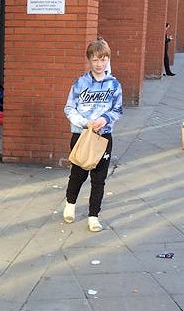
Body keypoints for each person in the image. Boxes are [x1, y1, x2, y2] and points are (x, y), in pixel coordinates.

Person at [63, 38, 123, 232]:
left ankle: (93, 215)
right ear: (89, 60)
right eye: (95, 60)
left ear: (108, 60)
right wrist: (84, 122)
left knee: (99, 178)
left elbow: (118, 109)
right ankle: (70, 204)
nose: (99, 64)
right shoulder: (80, 83)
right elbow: (69, 108)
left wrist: (105, 119)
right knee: (78, 174)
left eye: (103, 59)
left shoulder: (114, 85)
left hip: (103, 137)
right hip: (81, 135)